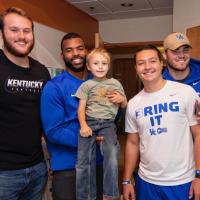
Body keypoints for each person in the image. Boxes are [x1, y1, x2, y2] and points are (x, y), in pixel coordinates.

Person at [123, 45, 200, 200]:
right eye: (141, 63)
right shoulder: (133, 104)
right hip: (146, 182)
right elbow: (132, 143)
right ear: (136, 68)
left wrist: (199, 175)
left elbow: (198, 135)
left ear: (161, 63)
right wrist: (126, 180)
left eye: (152, 61)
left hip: (182, 181)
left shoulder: (185, 92)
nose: (147, 67)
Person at [40, 33, 103, 200]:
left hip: (97, 163)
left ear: (87, 52)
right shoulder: (54, 87)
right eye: (69, 50)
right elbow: (53, 131)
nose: (75, 54)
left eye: (80, 48)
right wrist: (89, 140)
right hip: (68, 168)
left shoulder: (99, 82)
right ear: (62, 56)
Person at [0, 7, 50, 200]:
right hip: (4, 174)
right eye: (14, 30)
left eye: (27, 30)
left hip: (37, 168)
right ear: (2, 32)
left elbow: (47, 116)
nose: (22, 36)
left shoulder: (41, 71)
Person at [75, 48, 127, 200]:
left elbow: (124, 106)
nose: (100, 66)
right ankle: (85, 196)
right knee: (83, 161)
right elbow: (81, 109)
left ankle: (110, 195)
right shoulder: (86, 85)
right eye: (96, 63)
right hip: (89, 122)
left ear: (108, 66)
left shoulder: (115, 83)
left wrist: (122, 100)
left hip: (108, 124)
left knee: (112, 154)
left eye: (104, 63)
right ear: (89, 66)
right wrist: (83, 126)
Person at [163, 32, 200, 96]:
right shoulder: (160, 85)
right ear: (165, 55)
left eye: (185, 50)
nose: (181, 55)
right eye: (175, 51)